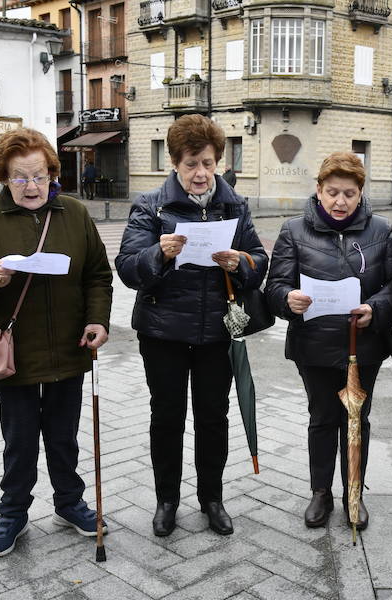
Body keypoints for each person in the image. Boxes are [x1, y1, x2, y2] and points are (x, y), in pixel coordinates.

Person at [0, 127, 113, 557]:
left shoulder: (74, 214)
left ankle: (69, 503)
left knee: (64, 437)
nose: (32, 186)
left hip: (68, 348)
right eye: (20, 177)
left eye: (40, 176)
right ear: (3, 177)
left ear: (52, 173)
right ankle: (13, 513)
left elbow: (98, 274)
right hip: (14, 358)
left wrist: (97, 320)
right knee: (19, 440)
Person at [116, 114, 268, 538]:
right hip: (162, 331)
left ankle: (212, 498)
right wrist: (159, 255)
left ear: (217, 160)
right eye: (190, 164)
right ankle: (167, 500)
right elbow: (127, 268)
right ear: (174, 163)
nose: (200, 173)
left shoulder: (234, 204)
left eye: (207, 163)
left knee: (213, 417)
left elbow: (259, 261)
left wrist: (242, 263)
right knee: (166, 417)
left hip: (216, 333)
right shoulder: (151, 205)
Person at [266, 152, 392, 530]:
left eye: (348, 193)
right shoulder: (294, 231)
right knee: (323, 418)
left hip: (364, 347)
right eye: (332, 192)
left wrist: (377, 308)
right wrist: (287, 300)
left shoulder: (381, 231)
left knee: (357, 419)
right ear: (318, 191)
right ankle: (321, 493)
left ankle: (353, 493)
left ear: (360, 193)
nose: (340, 202)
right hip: (313, 345)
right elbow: (274, 287)